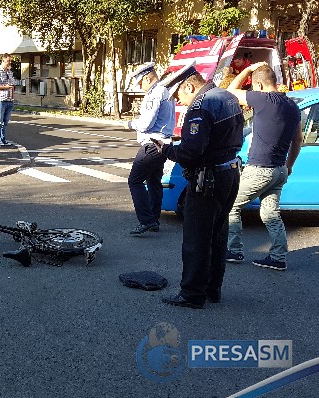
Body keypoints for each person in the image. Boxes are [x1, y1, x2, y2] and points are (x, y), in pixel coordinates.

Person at [154, 61, 243, 309]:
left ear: (189, 86)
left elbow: (192, 152)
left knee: (196, 238)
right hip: (230, 173)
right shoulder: (227, 96)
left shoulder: (201, 105)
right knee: (217, 234)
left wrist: (166, 149)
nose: (179, 102)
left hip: (208, 179)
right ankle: (212, 289)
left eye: (178, 95)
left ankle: (192, 293)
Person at [224, 62, 302, 271]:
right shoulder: (293, 106)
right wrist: (289, 165)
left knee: (231, 205)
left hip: (260, 168)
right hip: (279, 169)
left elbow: (229, 92)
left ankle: (234, 250)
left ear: (258, 85)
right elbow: (298, 140)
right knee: (270, 214)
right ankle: (278, 257)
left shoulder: (263, 99)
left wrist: (247, 70)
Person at [123, 62, 175, 235]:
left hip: (152, 144)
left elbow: (146, 124)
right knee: (154, 182)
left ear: (147, 78)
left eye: (140, 83)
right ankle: (153, 219)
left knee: (134, 181)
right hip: (162, 144)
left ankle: (146, 220)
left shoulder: (156, 93)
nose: (140, 86)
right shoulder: (165, 90)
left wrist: (130, 124)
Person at [0, 54, 17, 148]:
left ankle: (3, 140)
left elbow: (12, 85)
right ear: (3, 61)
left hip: (9, 100)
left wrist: (12, 95)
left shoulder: (10, 72)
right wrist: (5, 87)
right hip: (0, 100)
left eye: (10, 61)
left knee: (5, 122)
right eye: (8, 61)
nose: (10, 63)